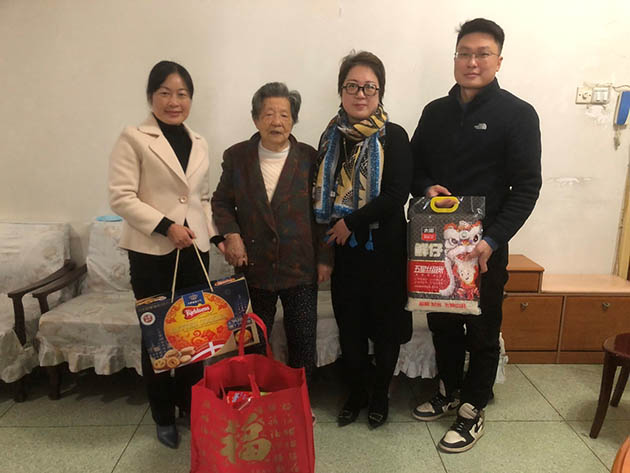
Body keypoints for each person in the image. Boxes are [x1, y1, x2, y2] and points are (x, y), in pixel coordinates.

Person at [410, 18, 542, 452]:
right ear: (455, 59)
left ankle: (472, 409)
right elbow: (415, 168)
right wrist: (426, 187)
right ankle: (448, 390)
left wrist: (493, 240)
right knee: (442, 323)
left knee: (483, 331)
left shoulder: (518, 114)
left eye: (482, 54)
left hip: (485, 248)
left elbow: (527, 187)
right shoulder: (435, 112)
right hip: (438, 244)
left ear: (498, 60)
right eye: (464, 53)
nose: (472, 62)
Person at [109, 60, 216, 449]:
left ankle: (190, 404)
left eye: (182, 94)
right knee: (157, 336)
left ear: (191, 98)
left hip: (194, 251)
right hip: (151, 251)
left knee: (194, 333)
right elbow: (121, 196)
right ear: (151, 96)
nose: (174, 102)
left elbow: (203, 199)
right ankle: (162, 415)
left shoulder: (199, 141)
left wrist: (215, 237)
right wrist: (166, 226)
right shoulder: (134, 137)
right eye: (165, 93)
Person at [313, 51, 412, 429]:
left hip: (385, 253)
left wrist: (350, 223)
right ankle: (355, 394)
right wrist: (328, 248)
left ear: (380, 92)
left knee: (386, 330)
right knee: (350, 328)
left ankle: (379, 396)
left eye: (369, 87)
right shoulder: (330, 138)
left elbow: (396, 195)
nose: (360, 94)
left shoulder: (394, 136)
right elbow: (319, 199)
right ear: (341, 91)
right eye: (352, 86)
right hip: (346, 256)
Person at [211, 82, 333, 385]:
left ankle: (301, 397)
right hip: (254, 266)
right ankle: (258, 395)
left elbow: (323, 212)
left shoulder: (310, 158)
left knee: (302, 339)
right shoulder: (237, 157)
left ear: (293, 120)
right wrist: (231, 235)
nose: (276, 122)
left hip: (300, 266)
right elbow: (221, 202)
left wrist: (325, 259)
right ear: (255, 119)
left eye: (284, 114)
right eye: (268, 114)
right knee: (253, 339)